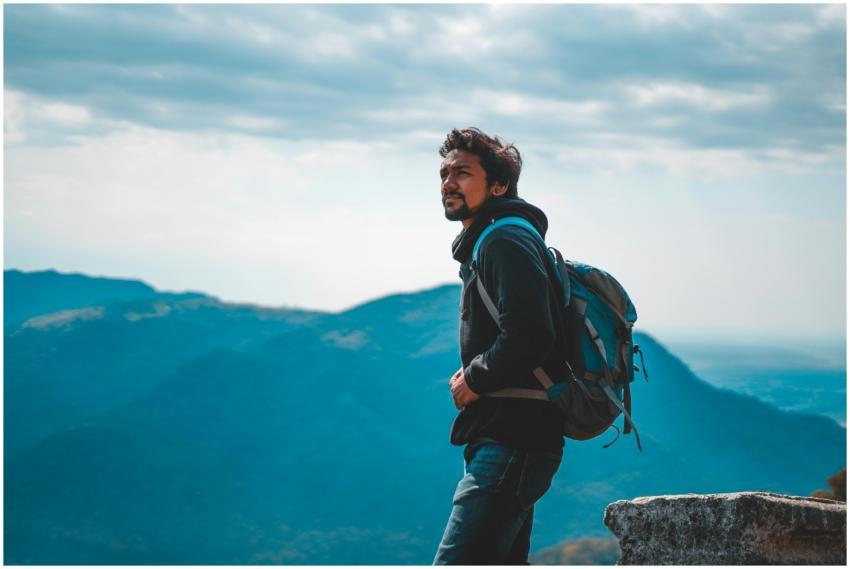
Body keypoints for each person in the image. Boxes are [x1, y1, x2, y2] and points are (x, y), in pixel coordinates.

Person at [433, 127, 567, 565]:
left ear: (498, 185)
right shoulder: (492, 240)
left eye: (462, 173)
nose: (448, 182)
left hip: (513, 441)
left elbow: (531, 333)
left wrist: (475, 378)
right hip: (505, 437)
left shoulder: (504, 240)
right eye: (444, 173)